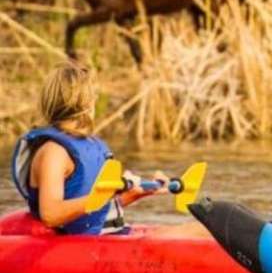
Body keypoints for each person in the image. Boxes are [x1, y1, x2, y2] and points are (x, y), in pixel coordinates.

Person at [10, 62, 208, 238]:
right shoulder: (55, 153)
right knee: (202, 232)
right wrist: (104, 195)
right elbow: (51, 214)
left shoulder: (90, 146)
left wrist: (134, 194)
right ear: (87, 103)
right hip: (86, 247)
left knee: (204, 229)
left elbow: (95, 210)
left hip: (112, 235)